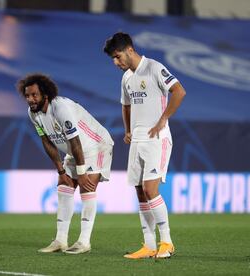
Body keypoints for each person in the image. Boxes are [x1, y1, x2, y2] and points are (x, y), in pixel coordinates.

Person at [103, 32, 186, 259]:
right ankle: (149, 245)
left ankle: (166, 242)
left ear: (129, 50)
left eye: (118, 57)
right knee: (140, 192)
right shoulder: (126, 77)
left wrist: (163, 119)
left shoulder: (154, 68)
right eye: (113, 59)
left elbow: (179, 91)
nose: (116, 63)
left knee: (151, 189)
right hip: (138, 139)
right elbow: (126, 104)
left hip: (157, 139)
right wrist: (128, 129)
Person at [16, 73, 114, 255]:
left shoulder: (60, 107)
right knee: (64, 186)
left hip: (97, 146)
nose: (30, 99)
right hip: (73, 150)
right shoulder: (33, 114)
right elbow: (46, 141)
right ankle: (60, 240)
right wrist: (60, 170)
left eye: (34, 95)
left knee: (87, 188)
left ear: (45, 94)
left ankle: (84, 242)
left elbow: (75, 141)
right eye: (27, 95)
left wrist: (82, 172)